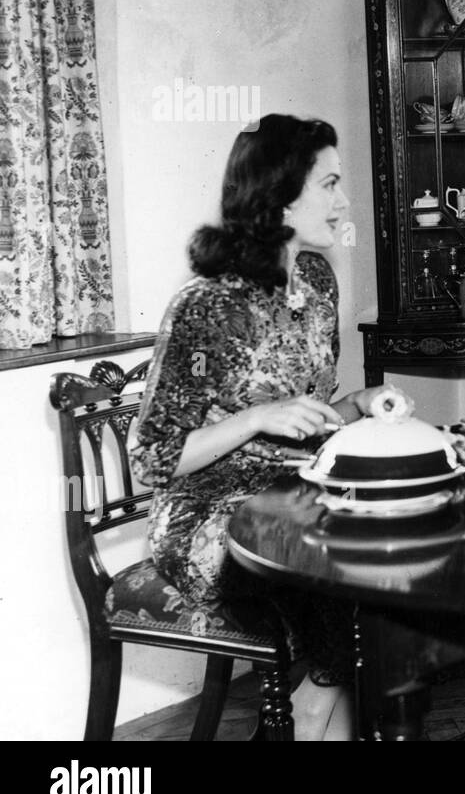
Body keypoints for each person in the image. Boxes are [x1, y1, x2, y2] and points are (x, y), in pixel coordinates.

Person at [129, 114, 395, 741]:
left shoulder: (319, 284)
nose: (343, 200)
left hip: (294, 493)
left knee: (394, 545)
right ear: (280, 195)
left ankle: (320, 703)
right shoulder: (207, 305)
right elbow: (153, 459)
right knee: (342, 568)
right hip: (209, 517)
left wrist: (360, 404)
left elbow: (308, 413)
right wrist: (254, 419)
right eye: (329, 184)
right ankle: (321, 707)